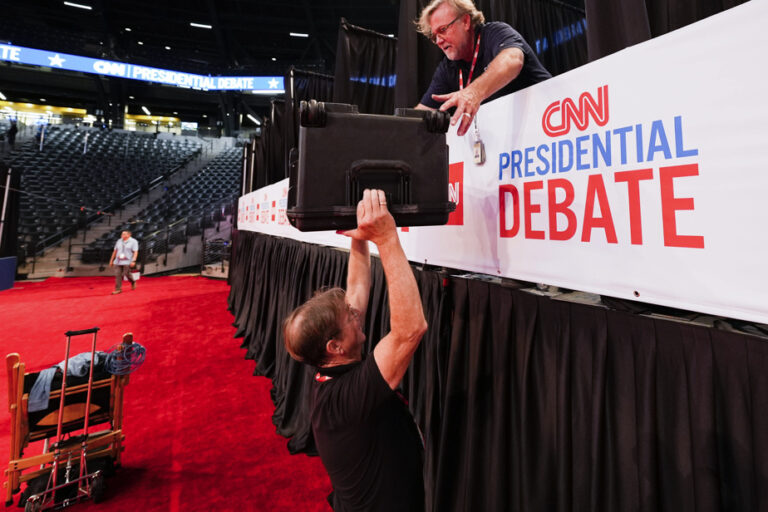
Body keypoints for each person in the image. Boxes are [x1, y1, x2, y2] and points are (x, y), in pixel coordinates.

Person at [283, 189, 428, 511]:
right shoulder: (345, 398)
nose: (355, 313)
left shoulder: (330, 366)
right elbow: (409, 331)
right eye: (349, 317)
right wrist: (388, 240)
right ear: (334, 347)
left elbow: (358, 289)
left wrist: (359, 236)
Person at [415, 0, 552, 136]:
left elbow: (513, 60)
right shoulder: (447, 67)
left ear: (465, 22)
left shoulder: (495, 32)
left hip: (552, 121)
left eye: (443, 30)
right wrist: (399, 126)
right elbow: (421, 112)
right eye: (434, 37)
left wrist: (473, 92)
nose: (438, 41)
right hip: (514, 141)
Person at [109, 230, 139, 294]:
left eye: (124, 234)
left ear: (129, 235)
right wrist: (111, 260)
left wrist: (134, 260)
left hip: (127, 261)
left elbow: (135, 252)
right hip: (118, 261)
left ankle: (133, 281)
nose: (122, 235)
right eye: (122, 234)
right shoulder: (119, 241)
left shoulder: (134, 241)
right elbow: (115, 251)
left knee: (126, 274)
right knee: (118, 275)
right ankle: (118, 289)